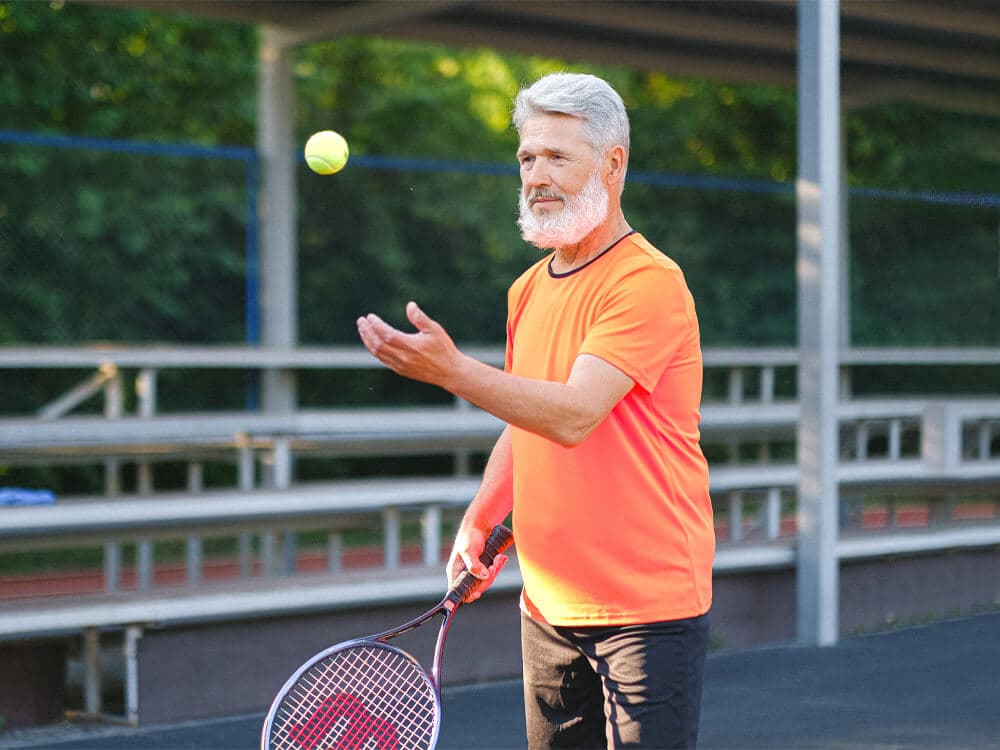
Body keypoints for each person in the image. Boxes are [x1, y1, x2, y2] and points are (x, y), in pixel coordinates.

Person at [357, 72, 715, 749]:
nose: (537, 174)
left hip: (646, 605)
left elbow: (574, 415)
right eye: (527, 157)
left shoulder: (648, 283)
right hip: (548, 601)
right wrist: (482, 513)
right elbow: (529, 413)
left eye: (558, 156)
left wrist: (453, 372)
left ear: (613, 164)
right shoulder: (528, 288)